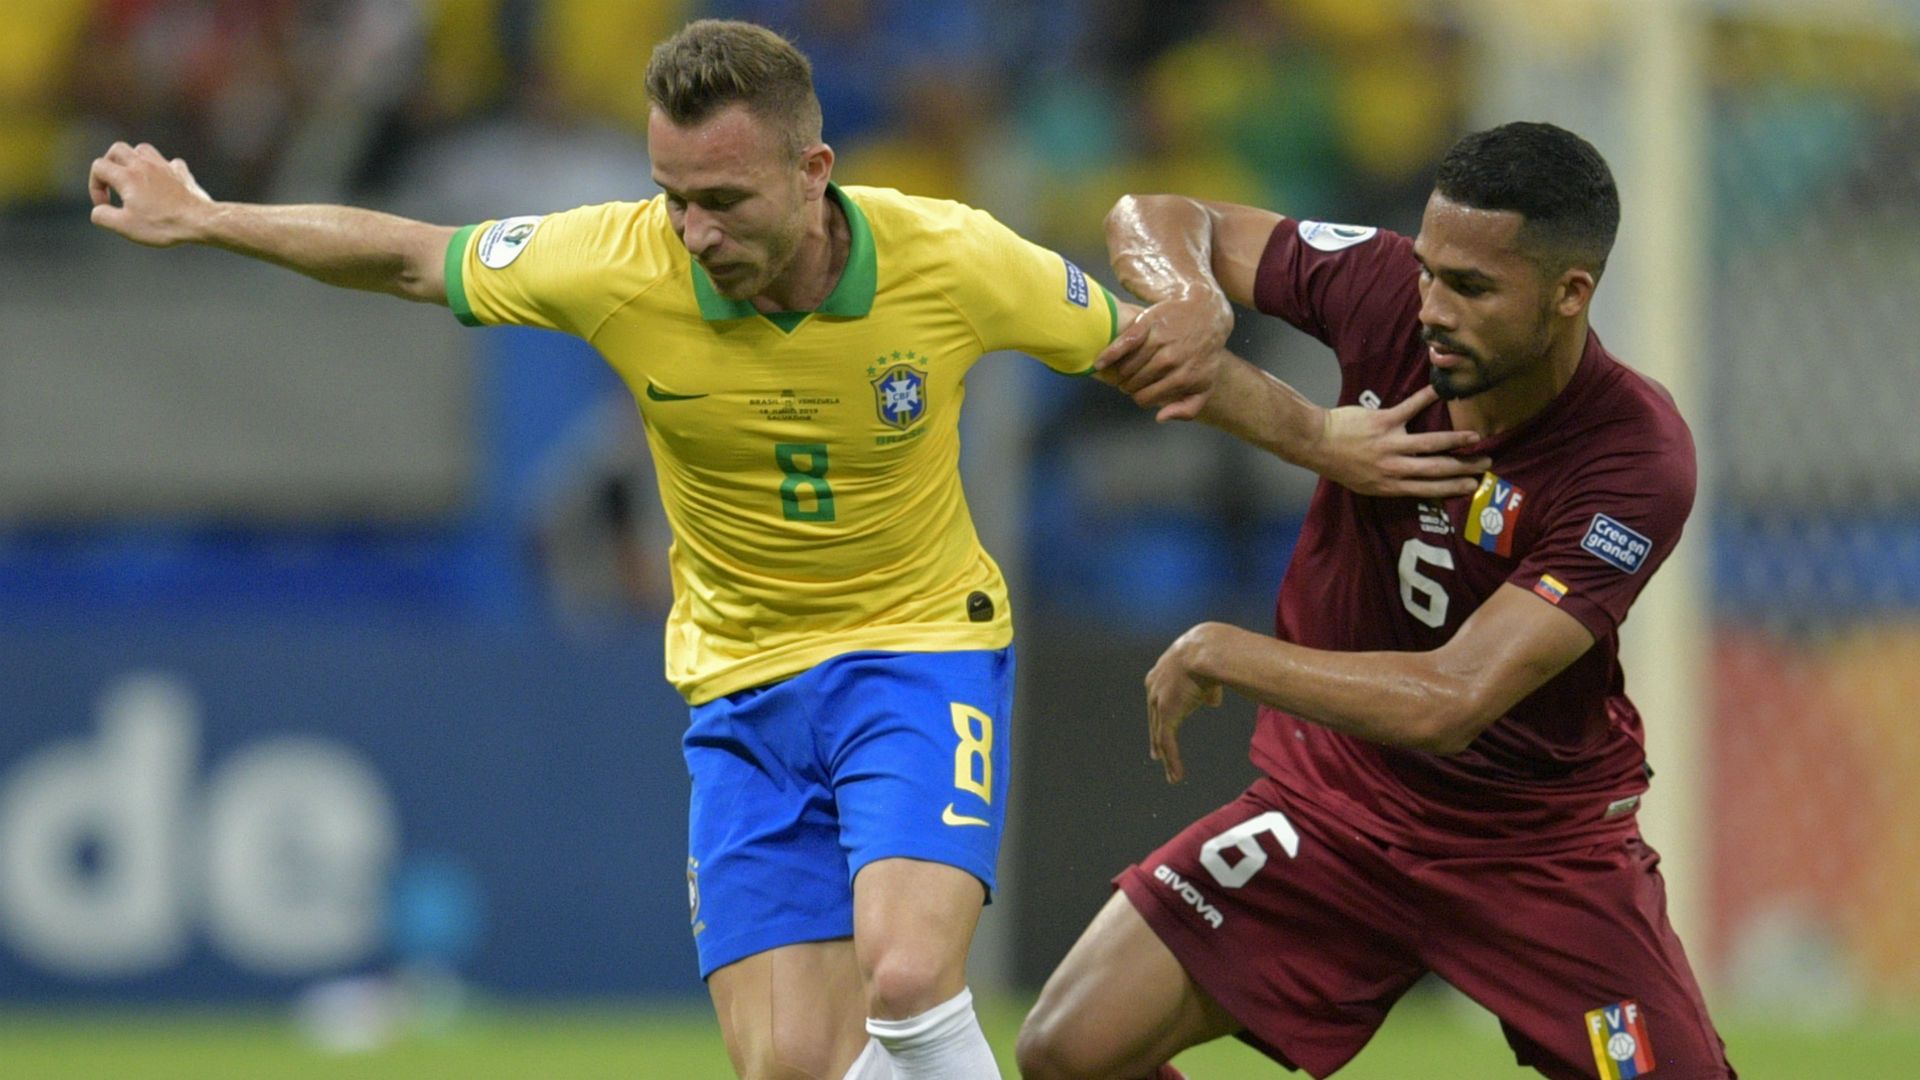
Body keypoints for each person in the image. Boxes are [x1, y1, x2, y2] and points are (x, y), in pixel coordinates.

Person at [86, 19, 1484, 1080]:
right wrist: (211, 219)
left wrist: (1329, 442)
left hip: (916, 654)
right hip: (741, 691)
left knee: (911, 968)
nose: (694, 234)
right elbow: (407, 254)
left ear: (815, 174)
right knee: (787, 1067)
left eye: (727, 202)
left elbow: (1150, 362)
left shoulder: (956, 259)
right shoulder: (613, 258)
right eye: (673, 196)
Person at [1017, 122, 1737, 1080]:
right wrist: (1192, 296)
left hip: (1533, 850)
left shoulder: (1632, 456)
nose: (1432, 308)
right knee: (1069, 1050)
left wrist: (1224, 651)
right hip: (1337, 806)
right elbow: (1155, 213)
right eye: (1432, 271)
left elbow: (1453, 701)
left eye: (1472, 288)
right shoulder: (1386, 290)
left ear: (1571, 295)